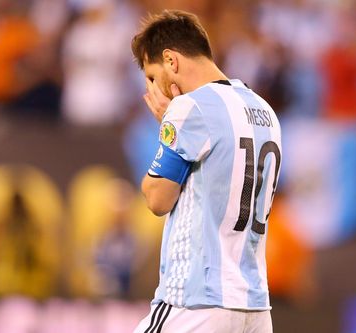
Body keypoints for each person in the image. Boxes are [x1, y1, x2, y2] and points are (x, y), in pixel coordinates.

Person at [131, 10, 282, 333]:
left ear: (171, 60)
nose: (154, 91)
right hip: (255, 306)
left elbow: (156, 199)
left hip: (196, 301)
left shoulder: (189, 108)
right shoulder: (265, 111)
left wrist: (168, 127)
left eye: (153, 77)